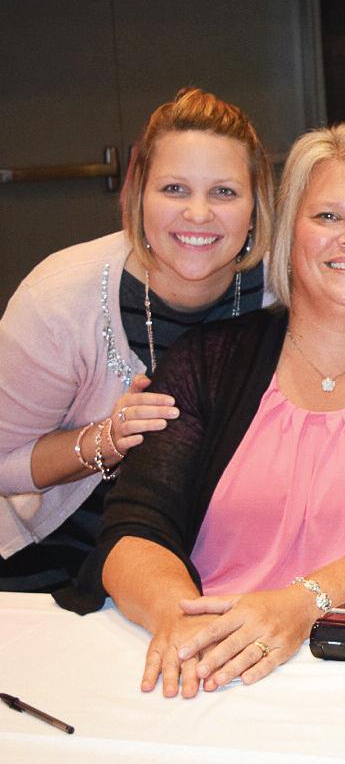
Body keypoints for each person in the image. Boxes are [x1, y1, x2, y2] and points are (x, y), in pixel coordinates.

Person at [55, 124, 345, 697]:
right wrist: (181, 624)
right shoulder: (205, 362)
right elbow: (134, 528)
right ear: (288, 233)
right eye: (328, 216)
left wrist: (296, 607)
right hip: (202, 665)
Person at [0, 88, 274, 592]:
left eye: (223, 192)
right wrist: (107, 439)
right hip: (64, 560)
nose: (198, 214)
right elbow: (3, 464)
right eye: (174, 189)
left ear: (257, 206)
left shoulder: (288, 293)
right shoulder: (60, 298)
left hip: (236, 566)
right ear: (136, 194)